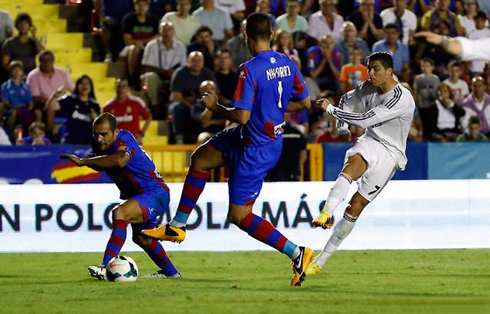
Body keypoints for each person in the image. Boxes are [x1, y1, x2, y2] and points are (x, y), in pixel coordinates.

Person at [142, 13, 313, 287]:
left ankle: (297, 252)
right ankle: (178, 226)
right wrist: (272, 111)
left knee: (239, 216)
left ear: (246, 37)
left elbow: (242, 115)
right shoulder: (287, 62)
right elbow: (304, 103)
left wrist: (215, 107)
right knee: (200, 158)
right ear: (270, 34)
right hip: (254, 136)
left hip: (256, 147)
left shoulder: (249, 68)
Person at [305, 51, 415, 277]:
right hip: (370, 140)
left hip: (390, 154)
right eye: (369, 69)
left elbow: (365, 119)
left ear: (389, 71)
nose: (371, 74)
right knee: (351, 167)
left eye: (376, 69)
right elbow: (348, 99)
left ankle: (321, 260)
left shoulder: (401, 98)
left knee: (355, 206)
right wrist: (342, 127)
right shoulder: (368, 86)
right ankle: (326, 213)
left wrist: (330, 110)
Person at [60, 113, 181, 280]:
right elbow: (104, 164)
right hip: (141, 195)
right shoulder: (98, 145)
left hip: (154, 193)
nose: (99, 139)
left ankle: (105, 266)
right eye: (96, 134)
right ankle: (172, 273)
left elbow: (119, 161)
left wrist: (84, 162)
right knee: (142, 238)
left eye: (104, 134)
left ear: (115, 132)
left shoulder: (125, 139)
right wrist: (93, 161)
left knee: (120, 213)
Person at [168, 51, 216, 144]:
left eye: (199, 60)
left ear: (203, 62)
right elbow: (176, 97)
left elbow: (214, 92)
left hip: (202, 104)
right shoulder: (180, 73)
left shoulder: (208, 74)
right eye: (194, 60)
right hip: (184, 104)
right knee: (177, 107)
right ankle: (179, 138)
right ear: (188, 61)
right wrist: (193, 105)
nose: (197, 63)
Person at [140, 22, 187, 109]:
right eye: (164, 30)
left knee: (182, 75)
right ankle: (155, 106)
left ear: (173, 32)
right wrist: (166, 73)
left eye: (169, 30)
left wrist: (173, 73)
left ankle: (176, 105)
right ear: (159, 32)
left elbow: (183, 65)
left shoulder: (180, 46)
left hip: (174, 76)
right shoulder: (151, 45)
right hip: (157, 76)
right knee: (150, 77)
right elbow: (148, 67)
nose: (167, 33)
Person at [26, 50, 75, 132]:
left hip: (61, 103)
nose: (46, 63)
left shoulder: (62, 73)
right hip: (42, 105)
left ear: (53, 61)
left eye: (49, 60)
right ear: (39, 61)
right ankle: (50, 134)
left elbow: (73, 90)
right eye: (44, 60)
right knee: (50, 109)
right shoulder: (33, 76)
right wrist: (53, 101)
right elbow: (36, 98)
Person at [46, 75, 101, 144]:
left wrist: (95, 119)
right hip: (69, 141)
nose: (84, 86)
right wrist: (56, 94)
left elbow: (100, 128)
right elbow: (50, 106)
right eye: (82, 83)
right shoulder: (70, 99)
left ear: (91, 87)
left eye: (87, 84)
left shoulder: (95, 104)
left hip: (88, 144)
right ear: (77, 86)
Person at [103, 78, 152, 145]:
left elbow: (148, 117)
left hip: (133, 144)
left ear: (128, 88)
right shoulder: (107, 107)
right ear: (115, 88)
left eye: (124, 86)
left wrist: (141, 134)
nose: (121, 89)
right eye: (119, 86)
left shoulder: (137, 102)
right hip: (115, 146)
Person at [121, 0, 159, 86]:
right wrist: (145, 41)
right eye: (139, 5)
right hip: (130, 47)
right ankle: (133, 81)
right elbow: (128, 41)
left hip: (149, 46)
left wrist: (144, 43)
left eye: (144, 5)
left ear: (148, 6)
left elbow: (157, 38)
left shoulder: (153, 20)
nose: (141, 7)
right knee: (135, 49)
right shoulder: (128, 19)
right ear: (135, 6)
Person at [1, 61, 38, 132]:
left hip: (24, 109)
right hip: (12, 109)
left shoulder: (26, 86)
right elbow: (5, 102)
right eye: (14, 70)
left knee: (37, 112)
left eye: (18, 70)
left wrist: (29, 107)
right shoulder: (6, 86)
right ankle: (10, 133)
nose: (17, 72)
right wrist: (15, 107)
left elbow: (30, 102)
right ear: (10, 72)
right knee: (13, 113)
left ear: (22, 72)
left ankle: (35, 132)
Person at [467, 10, 490, 75]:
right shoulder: (471, 35)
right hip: (474, 67)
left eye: (481, 20)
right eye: (477, 20)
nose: (479, 22)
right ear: (474, 21)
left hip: (487, 67)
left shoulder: (489, 33)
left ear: (485, 21)